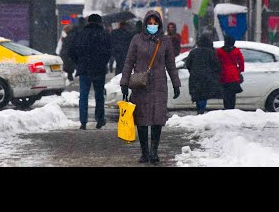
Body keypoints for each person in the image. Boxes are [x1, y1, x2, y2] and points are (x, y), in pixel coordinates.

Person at [120, 10, 181, 164]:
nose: (152, 26)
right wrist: (124, 82)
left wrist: (176, 84)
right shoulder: (136, 40)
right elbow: (129, 61)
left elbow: (171, 65)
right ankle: (144, 152)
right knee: (141, 120)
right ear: (145, 24)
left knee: (157, 119)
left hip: (159, 85)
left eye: (155, 23)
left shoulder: (165, 41)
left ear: (159, 24)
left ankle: (154, 152)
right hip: (141, 85)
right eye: (150, 23)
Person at [69, 14, 111, 130]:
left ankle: (83, 122)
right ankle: (100, 119)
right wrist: (102, 62)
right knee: (99, 95)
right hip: (99, 69)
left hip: (84, 69)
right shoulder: (104, 35)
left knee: (83, 96)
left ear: (89, 22)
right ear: (99, 22)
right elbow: (109, 52)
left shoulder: (81, 34)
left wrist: (79, 63)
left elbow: (72, 51)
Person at [184, 33, 223, 115]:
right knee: (204, 95)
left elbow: (187, 64)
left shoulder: (193, 52)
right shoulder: (210, 52)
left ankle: (199, 110)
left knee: (197, 94)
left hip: (195, 77)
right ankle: (201, 111)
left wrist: (193, 71)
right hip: (206, 77)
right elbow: (216, 65)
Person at [216, 35, 245, 110]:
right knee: (232, 94)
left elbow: (217, 62)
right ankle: (232, 108)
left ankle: (226, 108)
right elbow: (241, 61)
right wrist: (240, 70)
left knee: (225, 94)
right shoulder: (236, 51)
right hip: (234, 74)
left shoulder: (219, 51)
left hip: (223, 74)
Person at [60, 17, 86, 82]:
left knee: (71, 63)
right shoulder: (85, 30)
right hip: (81, 50)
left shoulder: (71, 33)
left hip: (71, 51)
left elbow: (66, 44)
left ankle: (70, 76)